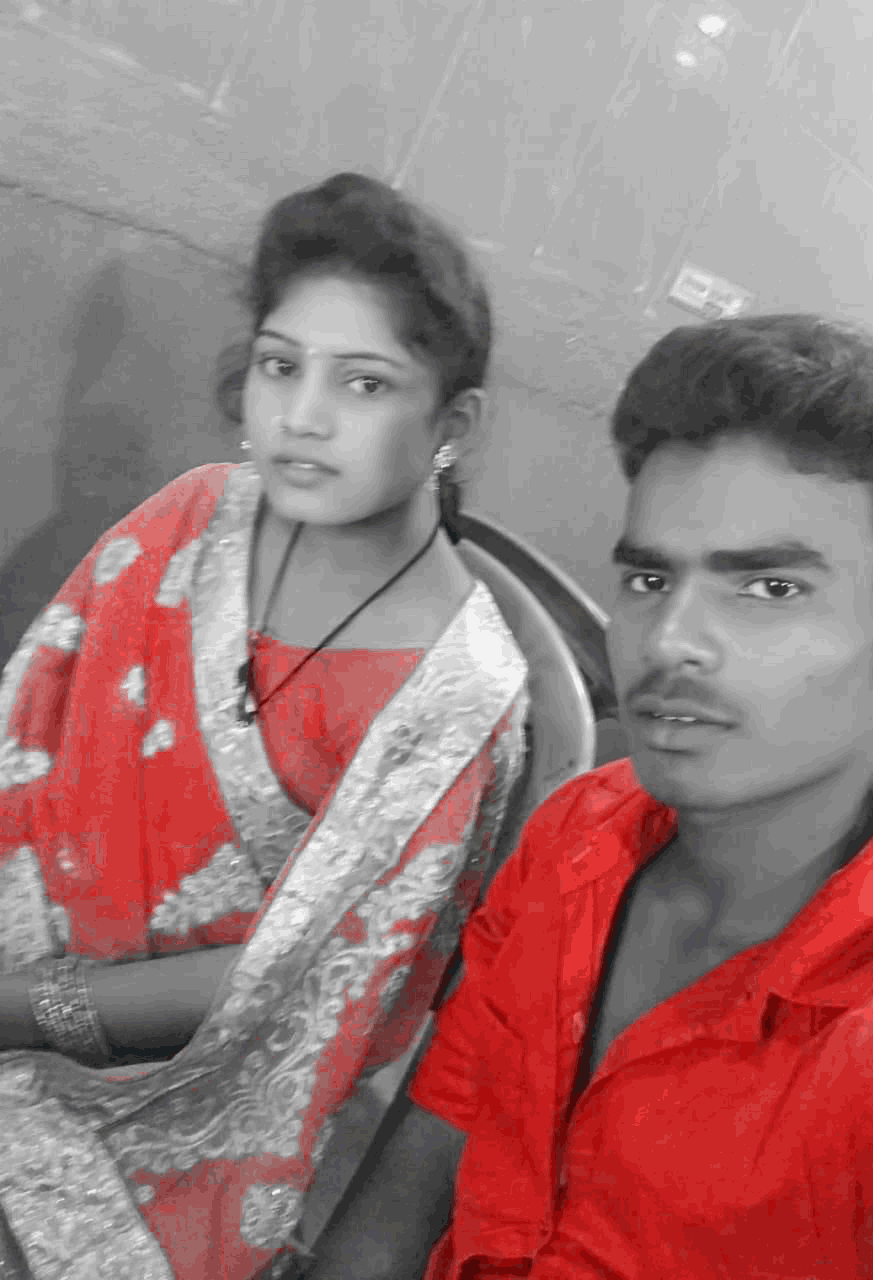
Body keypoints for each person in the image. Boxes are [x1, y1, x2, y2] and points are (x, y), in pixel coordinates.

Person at [306, 313, 873, 1280]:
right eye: (649, 578)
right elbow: (421, 1165)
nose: (668, 640)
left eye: (769, 589)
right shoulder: (576, 834)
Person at [0, 172, 529, 1280]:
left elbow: (296, 988)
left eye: (364, 382)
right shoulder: (194, 514)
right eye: (282, 365)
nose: (302, 416)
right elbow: (26, 736)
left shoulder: (452, 697)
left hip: (160, 1122)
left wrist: (22, 1010)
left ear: (453, 424)